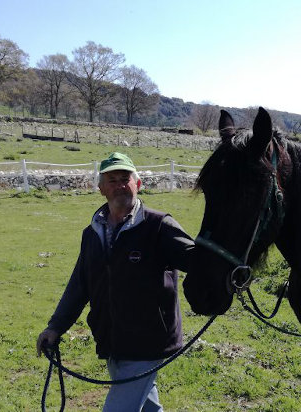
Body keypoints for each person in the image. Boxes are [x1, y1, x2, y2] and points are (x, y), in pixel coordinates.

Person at [36, 152, 195, 411]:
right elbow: (80, 284)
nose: (120, 185)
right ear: (101, 189)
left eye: (125, 179)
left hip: (148, 341)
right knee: (147, 406)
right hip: (112, 339)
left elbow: (198, 262)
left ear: (138, 184)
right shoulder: (92, 233)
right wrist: (56, 327)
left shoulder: (158, 225)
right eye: (112, 180)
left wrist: (231, 260)